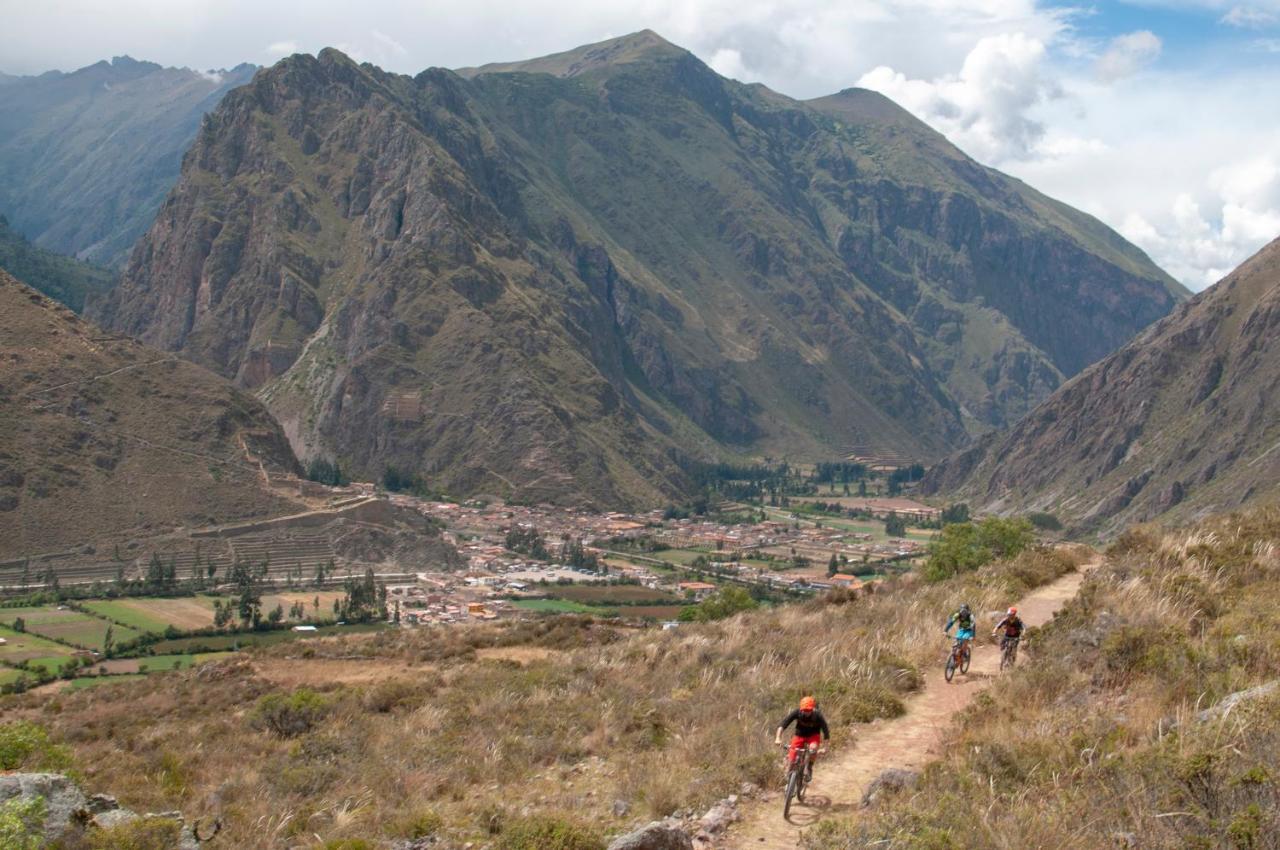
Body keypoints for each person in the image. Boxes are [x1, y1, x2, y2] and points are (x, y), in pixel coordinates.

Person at [774, 696, 829, 781]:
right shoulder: (797, 712)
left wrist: (825, 747)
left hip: (813, 736)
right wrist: (778, 738)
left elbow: (826, 732)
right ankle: (790, 782)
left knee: (813, 749)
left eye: (809, 710)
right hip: (799, 735)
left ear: (812, 709)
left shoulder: (818, 715)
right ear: (801, 708)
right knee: (791, 758)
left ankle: (809, 766)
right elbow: (783, 725)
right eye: (804, 710)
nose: (807, 712)